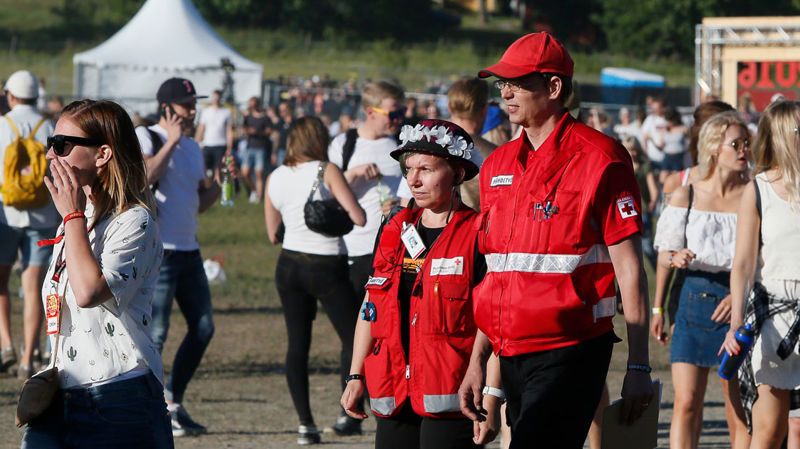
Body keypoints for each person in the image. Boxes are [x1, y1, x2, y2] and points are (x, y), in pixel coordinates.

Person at [458, 32, 654, 449]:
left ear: (553, 87)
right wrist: (479, 364)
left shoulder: (602, 159)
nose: (506, 92)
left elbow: (630, 268)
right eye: (501, 83)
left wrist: (638, 364)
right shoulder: (496, 166)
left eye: (517, 81)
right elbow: (499, 275)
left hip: (572, 348)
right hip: (509, 351)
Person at [341, 119, 501, 449]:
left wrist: (491, 394)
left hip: (453, 395)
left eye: (426, 169)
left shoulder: (479, 232)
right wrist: (356, 375)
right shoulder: (393, 229)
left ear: (457, 173)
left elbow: (494, 321)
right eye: (409, 168)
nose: (414, 180)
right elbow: (371, 306)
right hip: (393, 388)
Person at [21, 99, 171, 448]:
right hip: (63, 396)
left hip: (120, 400)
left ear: (102, 155)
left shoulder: (136, 222)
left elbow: (89, 292)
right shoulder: (76, 220)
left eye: (63, 145)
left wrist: (72, 216)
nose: (51, 156)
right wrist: (74, 217)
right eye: (50, 144)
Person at [136, 77, 237, 437]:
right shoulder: (146, 137)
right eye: (185, 106)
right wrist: (173, 141)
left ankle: (173, 402)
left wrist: (222, 185)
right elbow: (143, 177)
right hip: (158, 252)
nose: (192, 112)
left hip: (190, 250)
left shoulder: (193, 148)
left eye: (194, 105)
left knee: (204, 327)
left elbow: (200, 203)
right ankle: (150, 411)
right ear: (166, 108)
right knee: (157, 334)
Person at [264, 116, 366, 445]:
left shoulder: (275, 176)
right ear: (319, 140)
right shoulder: (327, 169)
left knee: (298, 345)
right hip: (326, 265)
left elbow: (272, 234)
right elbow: (359, 217)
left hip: (289, 265)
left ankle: (305, 425)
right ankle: (349, 409)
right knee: (355, 338)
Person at [652, 111, 750, 449]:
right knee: (687, 401)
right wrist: (674, 259)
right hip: (692, 299)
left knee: (736, 406)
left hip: (736, 301)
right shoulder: (686, 195)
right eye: (735, 144)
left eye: (746, 143)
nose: (743, 150)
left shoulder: (754, 196)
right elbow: (663, 253)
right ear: (713, 148)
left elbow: (763, 258)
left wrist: (740, 299)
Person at [722, 100, 800, 449]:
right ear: (784, 136)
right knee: (768, 430)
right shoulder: (758, 190)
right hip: (773, 316)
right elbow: (742, 263)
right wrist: (736, 320)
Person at [0, 70, 57, 379]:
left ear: (10, 96)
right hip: (43, 216)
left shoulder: (1, 126)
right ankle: (27, 360)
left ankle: (6, 344)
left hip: (6, 214)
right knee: (33, 287)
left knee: (1, 283)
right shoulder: (48, 125)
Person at [240, 96, 272, 203]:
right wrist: (246, 131)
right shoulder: (248, 117)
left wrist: (257, 132)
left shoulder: (265, 118)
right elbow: (243, 128)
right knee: (245, 172)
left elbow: (269, 131)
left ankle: (258, 197)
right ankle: (253, 191)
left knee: (259, 174)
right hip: (249, 147)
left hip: (260, 148)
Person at [195, 90, 233, 179]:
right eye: (214, 97)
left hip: (220, 145)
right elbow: (201, 128)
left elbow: (229, 130)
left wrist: (229, 148)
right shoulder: (206, 112)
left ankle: (216, 190)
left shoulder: (227, 112)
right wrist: (196, 143)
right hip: (207, 144)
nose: (216, 99)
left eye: (218, 97)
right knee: (205, 170)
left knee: (218, 170)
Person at [659, 107, 688, 180]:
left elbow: (689, 143)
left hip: (678, 157)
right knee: (663, 178)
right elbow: (661, 144)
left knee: (677, 178)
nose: (669, 123)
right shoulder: (665, 130)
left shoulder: (683, 129)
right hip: (667, 156)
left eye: (670, 120)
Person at [641, 96, 668, 170]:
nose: (654, 110)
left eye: (657, 108)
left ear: (663, 108)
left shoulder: (668, 120)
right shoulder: (650, 119)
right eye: (653, 108)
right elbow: (643, 139)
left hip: (667, 159)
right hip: (652, 159)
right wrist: (646, 156)